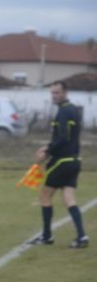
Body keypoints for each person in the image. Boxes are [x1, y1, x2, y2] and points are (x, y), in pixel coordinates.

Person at [30, 81, 89, 248]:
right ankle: (82, 237)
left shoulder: (63, 112)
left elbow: (63, 138)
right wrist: (49, 146)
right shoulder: (74, 110)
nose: (54, 96)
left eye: (57, 93)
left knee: (44, 196)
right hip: (75, 160)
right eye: (52, 93)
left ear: (65, 92)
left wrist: (47, 151)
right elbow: (68, 138)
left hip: (62, 161)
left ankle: (47, 236)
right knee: (68, 198)